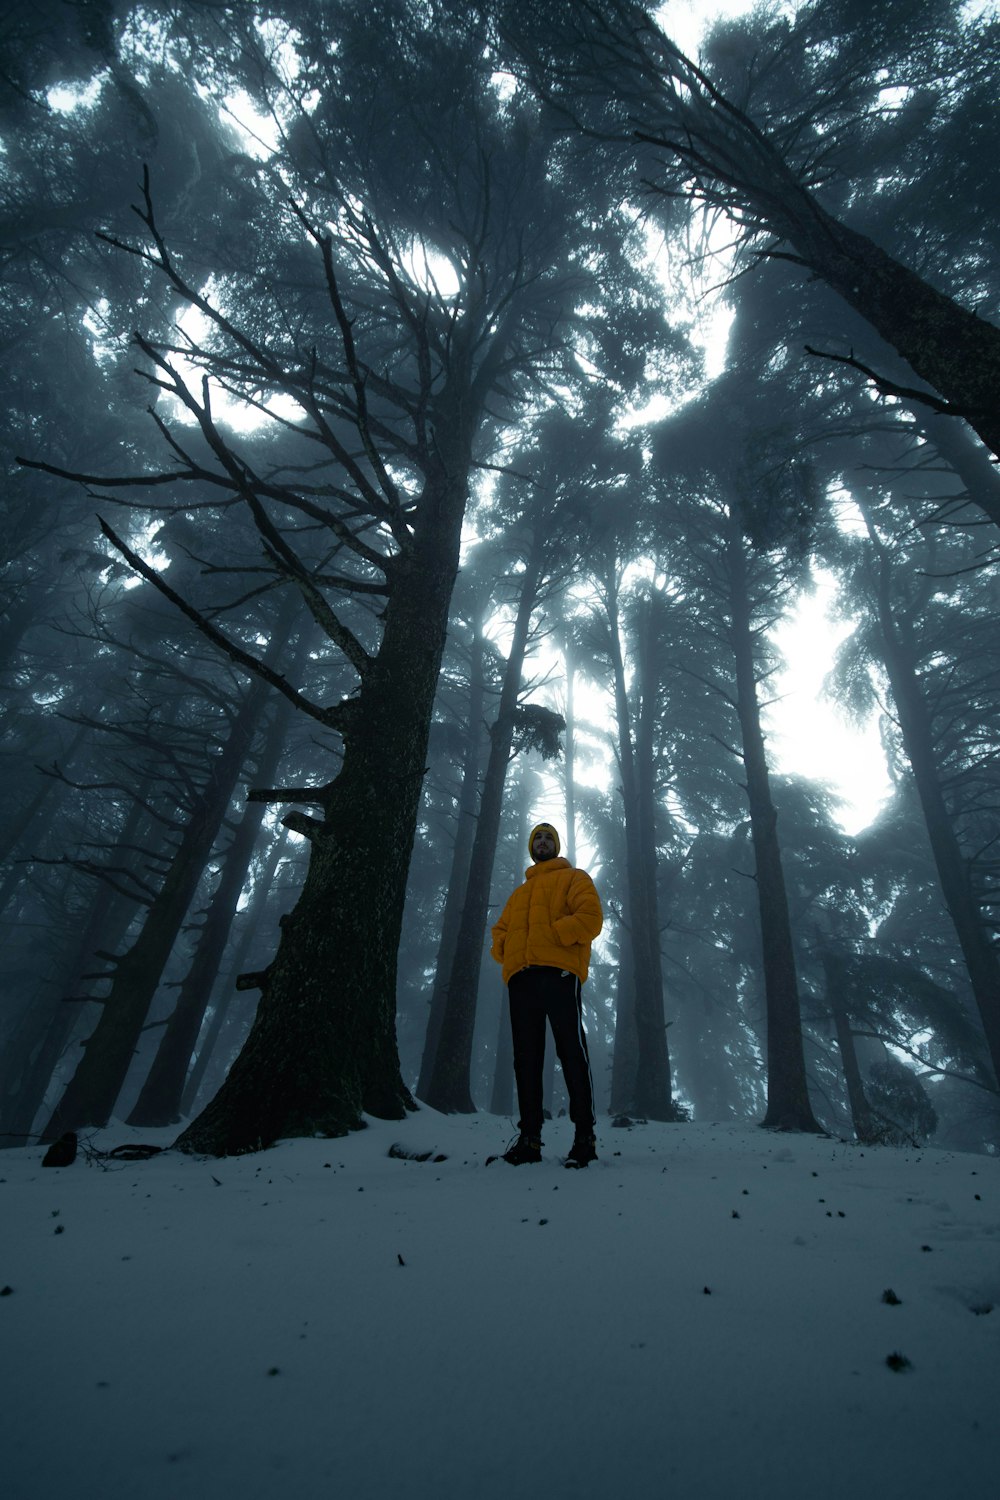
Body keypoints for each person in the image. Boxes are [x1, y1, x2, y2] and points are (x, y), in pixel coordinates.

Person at [490, 821, 603, 1168]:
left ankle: (584, 1139)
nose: (542, 841)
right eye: (537, 837)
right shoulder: (519, 893)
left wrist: (554, 935)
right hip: (521, 979)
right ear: (531, 846)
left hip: (559, 972)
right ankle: (530, 1141)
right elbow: (500, 933)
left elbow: (591, 918)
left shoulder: (574, 877)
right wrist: (507, 951)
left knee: (571, 1052)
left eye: (548, 837)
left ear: (555, 846)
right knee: (526, 1060)